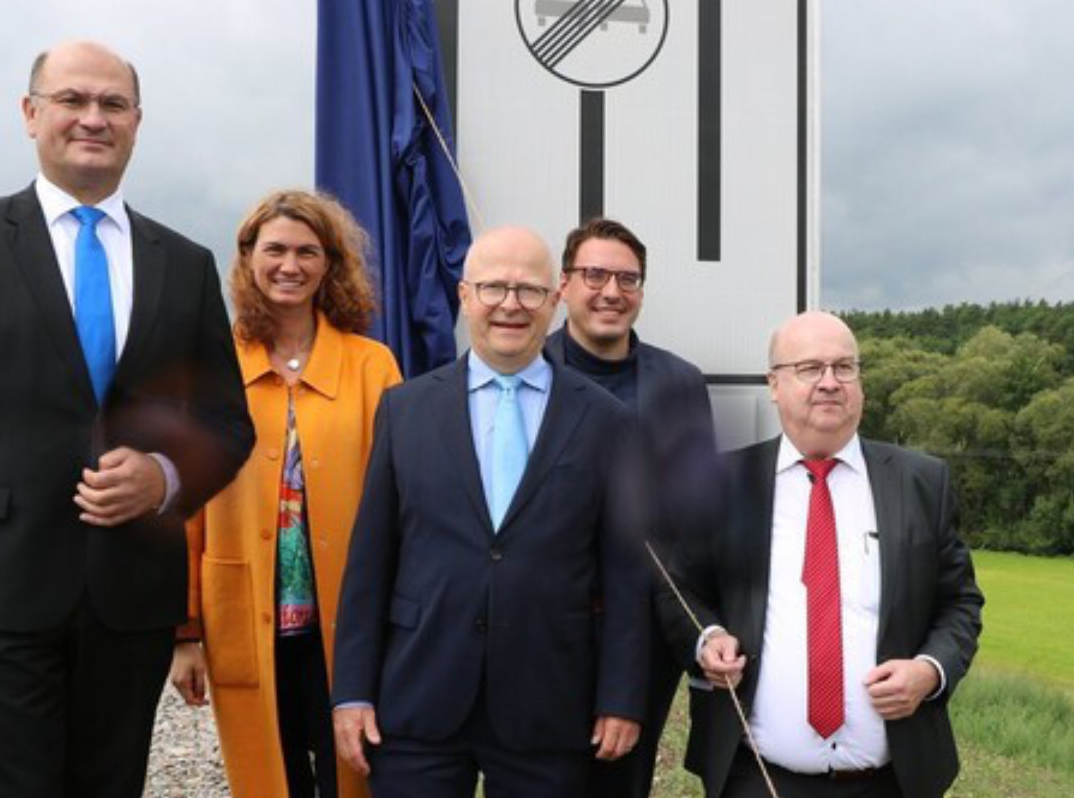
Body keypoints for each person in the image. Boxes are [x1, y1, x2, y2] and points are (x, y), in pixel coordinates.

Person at [0, 41, 255, 798]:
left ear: (136, 122)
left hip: (129, 602)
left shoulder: (184, 263)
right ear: (31, 114)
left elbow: (226, 425)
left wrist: (163, 476)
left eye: (112, 104)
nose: (93, 118)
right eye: (72, 100)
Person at [330, 225, 649, 798]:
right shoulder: (404, 410)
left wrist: (621, 696)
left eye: (528, 290)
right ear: (464, 296)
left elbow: (626, 572)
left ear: (555, 301)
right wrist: (352, 690)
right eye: (494, 287)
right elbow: (370, 561)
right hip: (417, 699)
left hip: (548, 704)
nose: (510, 305)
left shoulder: (605, 420)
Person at [660, 311, 984, 798]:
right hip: (754, 777)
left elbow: (959, 602)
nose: (830, 382)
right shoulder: (724, 484)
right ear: (774, 384)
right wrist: (707, 636)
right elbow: (677, 587)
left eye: (844, 367)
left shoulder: (921, 482)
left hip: (893, 781)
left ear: (860, 382)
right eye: (810, 368)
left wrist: (929, 671)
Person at [168, 189, 402, 798]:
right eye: (274, 250)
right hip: (245, 619)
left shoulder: (372, 366)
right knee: (270, 780)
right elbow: (183, 511)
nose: (290, 265)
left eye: (307, 251)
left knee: (355, 776)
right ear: (248, 258)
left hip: (349, 625)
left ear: (330, 263)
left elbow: (406, 504)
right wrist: (186, 633)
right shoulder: (211, 366)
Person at [543, 217, 716, 798]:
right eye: (594, 274)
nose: (611, 291)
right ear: (563, 285)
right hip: (541, 629)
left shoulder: (681, 383)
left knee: (622, 783)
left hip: (641, 631)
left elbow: (695, 518)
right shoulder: (527, 374)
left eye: (628, 278)